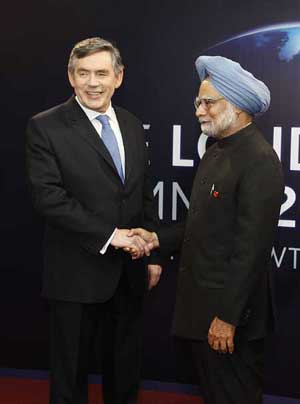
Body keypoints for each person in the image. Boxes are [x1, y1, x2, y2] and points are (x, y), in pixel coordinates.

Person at [129, 56, 284, 404]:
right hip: (204, 314)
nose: (199, 110)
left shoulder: (258, 160)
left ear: (239, 107)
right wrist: (157, 238)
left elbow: (251, 251)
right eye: (198, 102)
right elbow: (202, 226)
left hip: (230, 320)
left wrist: (227, 318)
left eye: (209, 102)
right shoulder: (216, 153)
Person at [25, 37, 162, 404]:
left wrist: (152, 248)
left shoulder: (133, 125)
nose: (93, 83)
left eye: (102, 73)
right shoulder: (46, 127)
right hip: (75, 276)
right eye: (83, 73)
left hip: (130, 274)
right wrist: (110, 235)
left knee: (125, 379)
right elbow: (49, 199)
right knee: (70, 382)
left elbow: (142, 191)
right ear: (71, 77)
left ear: (119, 77)